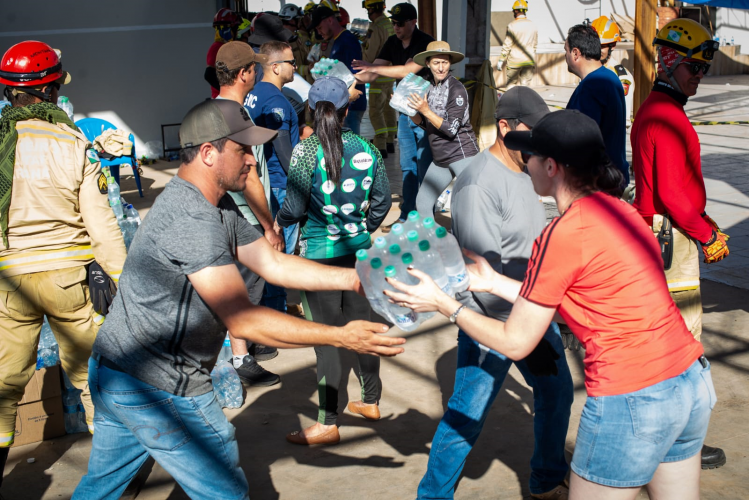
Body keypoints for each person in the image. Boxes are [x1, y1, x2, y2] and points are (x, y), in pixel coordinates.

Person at [72, 98, 405, 499]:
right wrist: (341, 336)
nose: (252, 159)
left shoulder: (217, 204)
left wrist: (356, 279)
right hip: (160, 384)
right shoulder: (192, 219)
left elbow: (273, 264)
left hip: (115, 370)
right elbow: (243, 321)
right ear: (209, 153)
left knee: (102, 488)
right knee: (224, 491)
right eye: (243, 149)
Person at [386, 109, 715, 500]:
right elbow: (585, 301)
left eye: (533, 156)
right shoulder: (623, 214)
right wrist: (493, 280)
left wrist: (444, 304)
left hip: (633, 398)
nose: (526, 163)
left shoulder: (563, 233)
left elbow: (515, 342)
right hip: (690, 384)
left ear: (552, 167)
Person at [416, 86, 573, 500]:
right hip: (491, 322)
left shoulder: (527, 169)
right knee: (466, 417)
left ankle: (546, 480)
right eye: (532, 132)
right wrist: (520, 335)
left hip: (531, 308)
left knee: (557, 396)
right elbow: (480, 275)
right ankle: (432, 496)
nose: (540, 143)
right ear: (504, 128)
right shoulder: (478, 184)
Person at [0, 41, 127, 484]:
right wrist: (122, 281)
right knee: (94, 384)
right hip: (68, 280)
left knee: (3, 388)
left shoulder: (1, 140)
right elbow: (102, 226)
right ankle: (114, 480)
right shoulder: (73, 142)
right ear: (52, 91)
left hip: (8, 283)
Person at [631, 18, 728, 470]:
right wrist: (707, 235)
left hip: (665, 235)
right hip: (673, 240)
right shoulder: (665, 115)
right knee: (681, 342)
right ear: (669, 60)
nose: (699, 75)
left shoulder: (658, 108)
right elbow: (672, 194)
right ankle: (677, 446)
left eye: (704, 68)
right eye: (694, 66)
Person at [277, 77, 392, 445]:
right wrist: (362, 229)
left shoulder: (305, 152)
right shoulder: (368, 149)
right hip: (359, 255)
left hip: (319, 261)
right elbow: (382, 203)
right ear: (346, 110)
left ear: (312, 109)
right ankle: (370, 400)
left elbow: (293, 208)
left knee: (327, 340)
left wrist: (279, 225)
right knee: (364, 328)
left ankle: (327, 423)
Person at [215, 41, 282, 385]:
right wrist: (270, 226)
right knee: (246, 281)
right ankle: (240, 357)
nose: (258, 71)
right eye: (254, 67)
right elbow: (250, 177)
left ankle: (245, 345)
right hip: (240, 212)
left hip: (228, 210)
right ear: (244, 74)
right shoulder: (234, 115)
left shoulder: (217, 108)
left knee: (243, 280)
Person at [352, 2, 435, 227]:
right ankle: (407, 215)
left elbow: (407, 70)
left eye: (400, 23)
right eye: (393, 23)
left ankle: (427, 217)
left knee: (424, 166)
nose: (396, 27)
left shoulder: (424, 42)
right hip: (406, 112)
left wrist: (374, 68)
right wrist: (347, 79)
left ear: (413, 22)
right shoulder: (392, 42)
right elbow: (371, 73)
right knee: (407, 165)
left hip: (425, 112)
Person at [247, 41, 301, 316]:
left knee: (269, 248)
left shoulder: (254, 93)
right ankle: (276, 311)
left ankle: (273, 304)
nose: (295, 66)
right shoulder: (277, 102)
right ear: (276, 66)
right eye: (292, 62)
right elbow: (283, 151)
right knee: (281, 253)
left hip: (263, 181)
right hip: (280, 185)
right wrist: (302, 183)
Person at [409, 41, 479, 217]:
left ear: (450, 63)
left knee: (463, 208)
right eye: (436, 63)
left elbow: (450, 129)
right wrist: (410, 111)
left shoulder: (457, 89)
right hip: (440, 158)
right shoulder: (427, 87)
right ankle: (433, 243)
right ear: (427, 64)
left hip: (463, 155)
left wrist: (425, 110)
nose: (441, 68)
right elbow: (427, 125)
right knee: (423, 203)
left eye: (445, 62)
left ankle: (464, 244)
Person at [565, 24, 629, 187]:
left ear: (575, 53)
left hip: (597, 183)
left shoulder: (592, 86)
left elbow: (580, 140)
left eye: (566, 50)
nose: (564, 56)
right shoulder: (609, 77)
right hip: (612, 177)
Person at [307, 6, 368, 134]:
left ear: (329, 20)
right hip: (345, 103)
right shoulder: (339, 41)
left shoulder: (347, 41)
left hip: (351, 105)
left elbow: (354, 75)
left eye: (319, 28)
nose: (319, 33)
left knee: (349, 146)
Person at [362, 0, 397, 158]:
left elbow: (371, 53)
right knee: (389, 110)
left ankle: (380, 145)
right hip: (391, 74)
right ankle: (390, 141)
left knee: (376, 111)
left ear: (371, 9)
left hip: (378, 74)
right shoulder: (390, 24)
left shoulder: (376, 27)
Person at [589, 16, 635, 128]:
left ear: (613, 46)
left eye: (601, 46)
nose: (596, 50)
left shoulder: (622, 78)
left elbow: (622, 121)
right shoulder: (588, 69)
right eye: (594, 45)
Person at [497, 0, 538, 88]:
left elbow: (507, 45)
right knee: (525, 86)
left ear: (515, 11)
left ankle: (511, 102)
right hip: (528, 60)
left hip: (514, 61)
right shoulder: (532, 25)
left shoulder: (512, 25)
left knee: (511, 86)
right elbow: (535, 44)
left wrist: (501, 60)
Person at [206, 8, 241, 98]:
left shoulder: (225, 47)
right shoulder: (217, 47)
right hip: (223, 99)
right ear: (228, 29)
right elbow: (209, 74)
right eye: (235, 28)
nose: (237, 33)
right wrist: (228, 90)